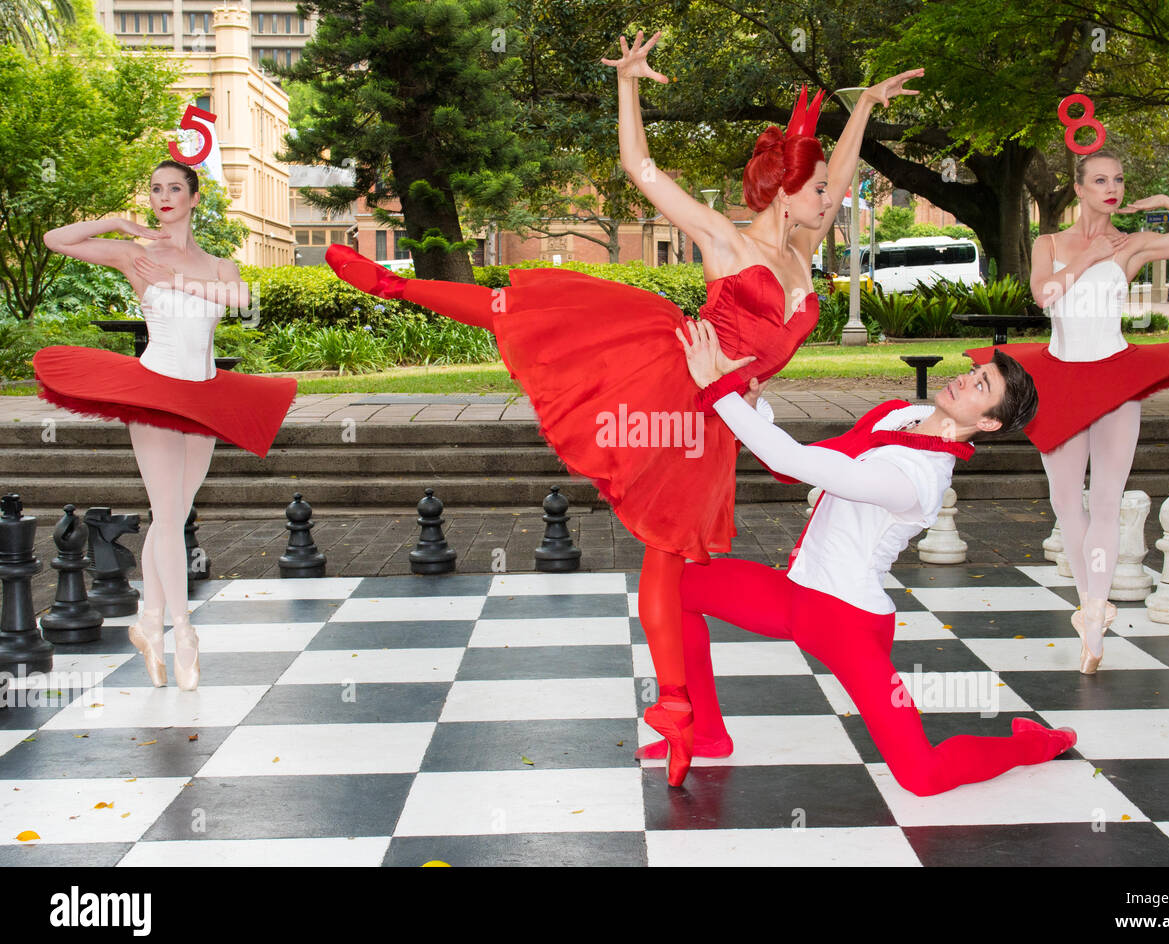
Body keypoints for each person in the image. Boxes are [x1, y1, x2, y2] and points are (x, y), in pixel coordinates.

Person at [324, 29, 924, 786]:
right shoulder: (728, 243)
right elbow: (640, 169)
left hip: (721, 418)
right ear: (782, 193)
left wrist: (863, 107)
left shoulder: (802, 252)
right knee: (541, 314)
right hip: (676, 390)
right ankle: (396, 285)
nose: (833, 200)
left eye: (830, 193)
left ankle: (694, 723)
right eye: (818, 193)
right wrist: (628, 83)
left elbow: (831, 169)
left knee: (680, 561)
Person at [645, 318, 1072, 796]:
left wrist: (718, 390)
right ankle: (705, 733)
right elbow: (814, 460)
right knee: (672, 590)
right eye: (976, 370)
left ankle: (1032, 745)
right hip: (792, 594)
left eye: (981, 384)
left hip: (847, 622)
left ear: (988, 422)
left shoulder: (920, 480)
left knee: (921, 777)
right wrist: (751, 406)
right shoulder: (898, 417)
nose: (965, 378)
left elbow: (796, 463)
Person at [34, 160, 297, 691]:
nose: (163, 197)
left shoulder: (220, 264)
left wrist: (178, 279)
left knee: (172, 518)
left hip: (202, 397)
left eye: (175, 188)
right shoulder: (136, 254)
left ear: (195, 197)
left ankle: (149, 624)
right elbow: (54, 239)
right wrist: (117, 221)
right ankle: (184, 632)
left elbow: (245, 303)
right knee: (168, 512)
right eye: (156, 189)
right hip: (155, 391)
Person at [967, 149, 1169, 674]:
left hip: (1114, 378)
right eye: (1101, 180)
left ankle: (1092, 615)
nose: (1112, 188)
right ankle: (1090, 603)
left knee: (1106, 502)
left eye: (1120, 180)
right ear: (1079, 187)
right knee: (1066, 501)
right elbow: (1044, 296)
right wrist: (1085, 259)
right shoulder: (1048, 243)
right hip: (1057, 379)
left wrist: (1167, 201)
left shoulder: (1134, 245)